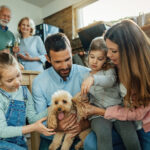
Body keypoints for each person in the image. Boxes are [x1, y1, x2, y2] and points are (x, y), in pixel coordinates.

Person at [84, 19, 150, 150]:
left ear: (130, 51)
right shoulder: (115, 65)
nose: (108, 55)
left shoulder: (145, 73)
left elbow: (137, 114)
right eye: (108, 50)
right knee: (91, 143)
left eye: (113, 51)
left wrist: (100, 111)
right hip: (120, 117)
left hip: (144, 125)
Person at [32, 32, 91, 150]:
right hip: (53, 136)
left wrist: (85, 125)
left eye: (68, 59)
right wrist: (58, 127)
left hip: (82, 133)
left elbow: (101, 108)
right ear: (48, 58)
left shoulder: (87, 75)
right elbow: (40, 120)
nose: (64, 66)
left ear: (71, 53)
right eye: (58, 62)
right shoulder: (39, 83)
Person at [0, 53, 55, 150]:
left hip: (20, 143)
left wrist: (52, 108)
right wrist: (33, 127)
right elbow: (2, 131)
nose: (17, 82)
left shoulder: (24, 92)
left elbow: (33, 119)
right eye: (10, 80)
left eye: (18, 75)